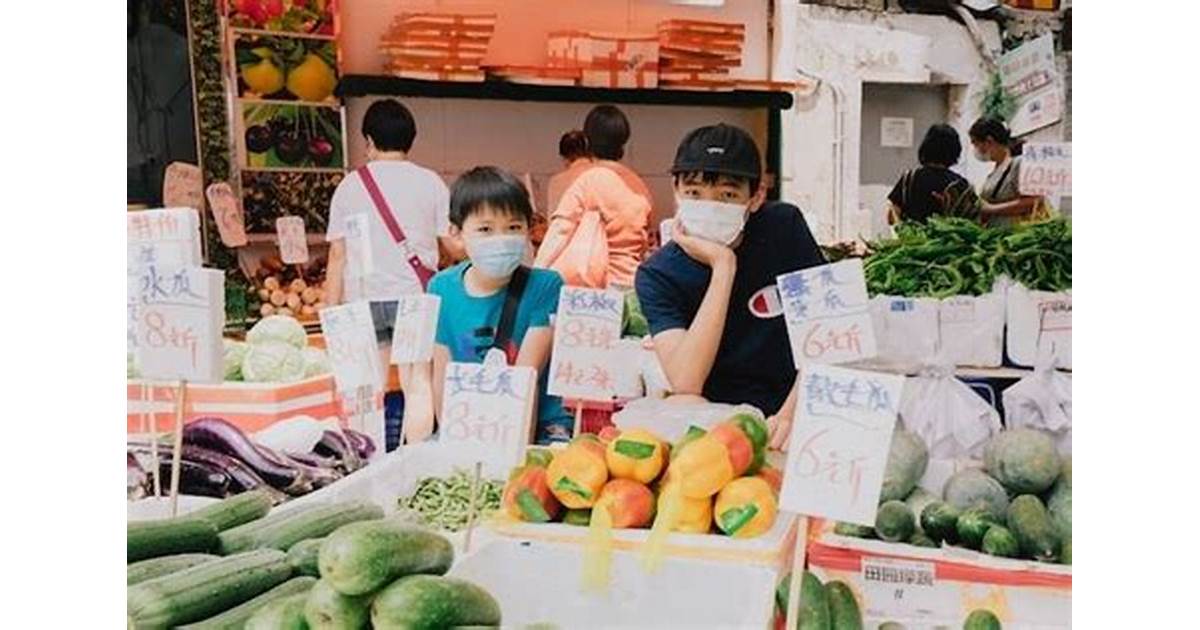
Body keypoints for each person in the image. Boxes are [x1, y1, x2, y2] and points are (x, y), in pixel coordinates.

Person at [634, 124, 826, 451]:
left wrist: (791, 414)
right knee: (683, 400)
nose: (710, 205)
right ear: (676, 190)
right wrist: (723, 267)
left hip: (790, 404)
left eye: (727, 195)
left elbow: (829, 332)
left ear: (756, 196)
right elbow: (685, 379)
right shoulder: (658, 274)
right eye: (694, 193)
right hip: (713, 421)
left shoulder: (784, 228)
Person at [323, 99, 456, 440]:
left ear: (368, 140)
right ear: (411, 139)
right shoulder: (431, 183)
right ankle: (414, 459)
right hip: (415, 298)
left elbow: (337, 255)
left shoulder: (349, 186)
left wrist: (330, 310)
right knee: (418, 385)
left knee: (367, 390)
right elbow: (452, 245)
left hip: (365, 300)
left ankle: (370, 461)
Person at [415, 166, 573, 445]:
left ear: (528, 229)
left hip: (539, 428)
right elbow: (442, 375)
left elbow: (527, 378)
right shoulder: (441, 288)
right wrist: (451, 441)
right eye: (485, 229)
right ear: (457, 233)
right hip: (471, 426)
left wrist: (513, 456)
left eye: (513, 227)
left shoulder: (546, 286)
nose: (501, 238)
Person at [885, 124, 979, 224]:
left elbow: (891, 219)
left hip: (912, 238)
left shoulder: (909, 178)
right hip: (949, 239)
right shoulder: (960, 184)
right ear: (955, 151)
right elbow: (972, 219)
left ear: (926, 146)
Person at [969, 117, 1044, 227]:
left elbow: (1034, 201)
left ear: (989, 141)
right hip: (996, 236)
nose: (975, 149)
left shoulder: (1019, 164)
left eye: (975, 143)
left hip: (1015, 236)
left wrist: (991, 209)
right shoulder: (994, 172)